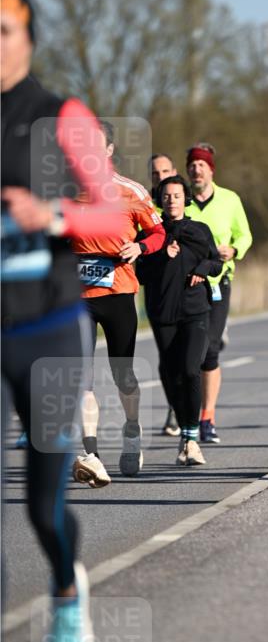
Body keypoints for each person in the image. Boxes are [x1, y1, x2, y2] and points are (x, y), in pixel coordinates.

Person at [1, 0, 122, 642]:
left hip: (45, 328)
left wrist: (49, 214)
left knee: (43, 508)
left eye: (3, 30)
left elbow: (112, 212)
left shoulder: (59, 116)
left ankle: (67, 592)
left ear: (28, 38)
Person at [70, 119, 165, 487]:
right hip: (78, 298)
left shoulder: (131, 192)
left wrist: (140, 247)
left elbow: (158, 232)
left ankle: (132, 429)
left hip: (119, 292)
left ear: (109, 150)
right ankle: (91, 455)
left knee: (122, 374)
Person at [137, 175, 222, 465]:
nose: (171, 200)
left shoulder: (199, 230)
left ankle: (192, 438)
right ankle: (185, 433)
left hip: (196, 310)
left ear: (186, 199)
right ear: (159, 200)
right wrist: (163, 255)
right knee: (171, 373)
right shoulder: (149, 233)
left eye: (176, 195)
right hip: (163, 312)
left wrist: (202, 268)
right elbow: (140, 274)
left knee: (190, 369)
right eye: (166, 196)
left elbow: (216, 262)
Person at [185, 142, 252, 444]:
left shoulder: (229, 199)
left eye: (201, 164)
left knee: (209, 350)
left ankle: (207, 418)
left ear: (211, 169)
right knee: (187, 352)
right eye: (192, 165)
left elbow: (245, 235)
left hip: (218, 282)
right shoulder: (180, 200)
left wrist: (234, 249)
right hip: (186, 285)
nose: (196, 169)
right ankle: (184, 410)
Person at [148, 152, 181, 436]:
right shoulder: (143, 204)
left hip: (189, 292)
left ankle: (191, 409)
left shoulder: (182, 199)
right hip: (157, 290)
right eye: (155, 174)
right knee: (167, 354)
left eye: (165, 172)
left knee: (192, 355)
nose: (160, 177)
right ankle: (175, 407)